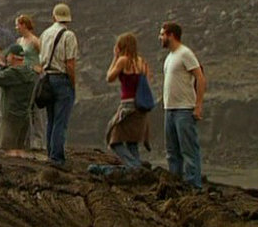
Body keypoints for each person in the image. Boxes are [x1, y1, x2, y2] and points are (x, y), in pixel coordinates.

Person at [88, 33, 151, 176]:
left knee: (114, 138)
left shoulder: (123, 60)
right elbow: (147, 82)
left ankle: (134, 167)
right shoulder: (142, 62)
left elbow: (109, 77)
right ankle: (136, 167)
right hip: (141, 107)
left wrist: (115, 57)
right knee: (132, 140)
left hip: (128, 105)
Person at [160, 22, 206, 188]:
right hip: (170, 110)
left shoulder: (185, 53)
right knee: (172, 151)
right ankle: (176, 183)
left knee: (188, 150)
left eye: (162, 34)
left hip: (184, 109)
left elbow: (200, 78)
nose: (160, 38)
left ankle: (194, 185)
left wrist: (198, 105)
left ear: (171, 35)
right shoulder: (169, 57)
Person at [38, 3, 79, 166]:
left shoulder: (45, 34)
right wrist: (73, 83)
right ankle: (57, 158)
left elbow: (41, 57)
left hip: (47, 78)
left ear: (53, 17)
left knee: (51, 119)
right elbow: (70, 63)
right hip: (62, 79)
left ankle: (50, 153)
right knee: (61, 121)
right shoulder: (69, 36)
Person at [0, 44, 38, 156]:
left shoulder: (11, 74)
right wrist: (3, 67)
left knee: (8, 152)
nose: (6, 58)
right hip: (24, 117)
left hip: (9, 118)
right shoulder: (29, 71)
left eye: (8, 56)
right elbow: (14, 73)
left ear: (12, 56)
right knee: (19, 150)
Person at [15, 15, 44, 149]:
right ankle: (28, 139)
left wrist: (40, 67)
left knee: (32, 107)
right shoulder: (20, 41)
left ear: (24, 25)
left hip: (33, 76)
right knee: (28, 107)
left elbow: (44, 55)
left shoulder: (34, 41)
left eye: (17, 25)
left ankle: (36, 140)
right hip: (23, 76)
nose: (16, 28)